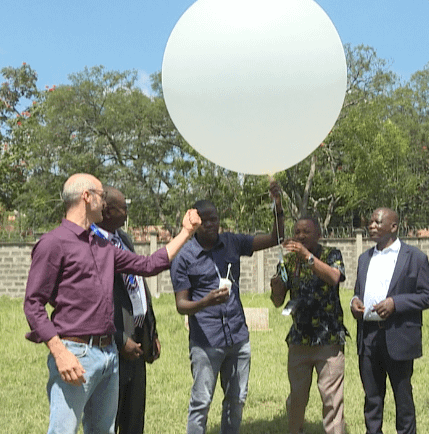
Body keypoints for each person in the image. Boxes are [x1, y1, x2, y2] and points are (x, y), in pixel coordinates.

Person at [24, 173, 200, 434]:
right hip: (76, 354)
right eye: (101, 195)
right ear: (86, 197)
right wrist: (60, 353)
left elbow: (148, 265)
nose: (104, 202)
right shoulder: (54, 243)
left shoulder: (102, 246)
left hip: (109, 355)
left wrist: (186, 232)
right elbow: (33, 304)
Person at [170, 181, 284, 434]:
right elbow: (181, 305)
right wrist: (205, 302)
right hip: (206, 341)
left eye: (215, 219)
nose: (212, 225)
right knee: (201, 402)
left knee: (236, 400)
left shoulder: (232, 242)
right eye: (205, 220)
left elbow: (276, 238)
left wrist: (278, 206)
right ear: (195, 223)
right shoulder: (184, 257)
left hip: (238, 337)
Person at [350, 207, 429, 434]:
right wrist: (354, 303)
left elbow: (428, 297)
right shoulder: (364, 258)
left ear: (394, 227)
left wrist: (395, 303)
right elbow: (358, 292)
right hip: (368, 338)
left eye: (377, 222)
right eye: (370, 222)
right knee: (372, 399)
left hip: (398, 338)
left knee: (403, 399)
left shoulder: (415, 258)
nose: (371, 226)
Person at [270, 216, 348, 434]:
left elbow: (334, 277)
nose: (301, 236)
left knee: (332, 400)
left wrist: (307, 257)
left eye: (306, 232)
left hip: (329, 341)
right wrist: (276, 287)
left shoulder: (332, 255)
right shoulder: (288, 262)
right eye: (298, 232)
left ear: (319, 235)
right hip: (299, 341)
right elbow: (278, 302)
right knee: (296, 399)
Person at [93, 186, 159, 434]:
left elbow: (139, 286)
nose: (128, 213)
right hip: (112, 342)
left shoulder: (123, 239)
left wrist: (151, 331)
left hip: (138, 338)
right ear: (108, 211)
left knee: (134, 418)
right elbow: (98, 298)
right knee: (109, 417)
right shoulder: (93, 244)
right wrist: (120, 338)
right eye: (124, 208)